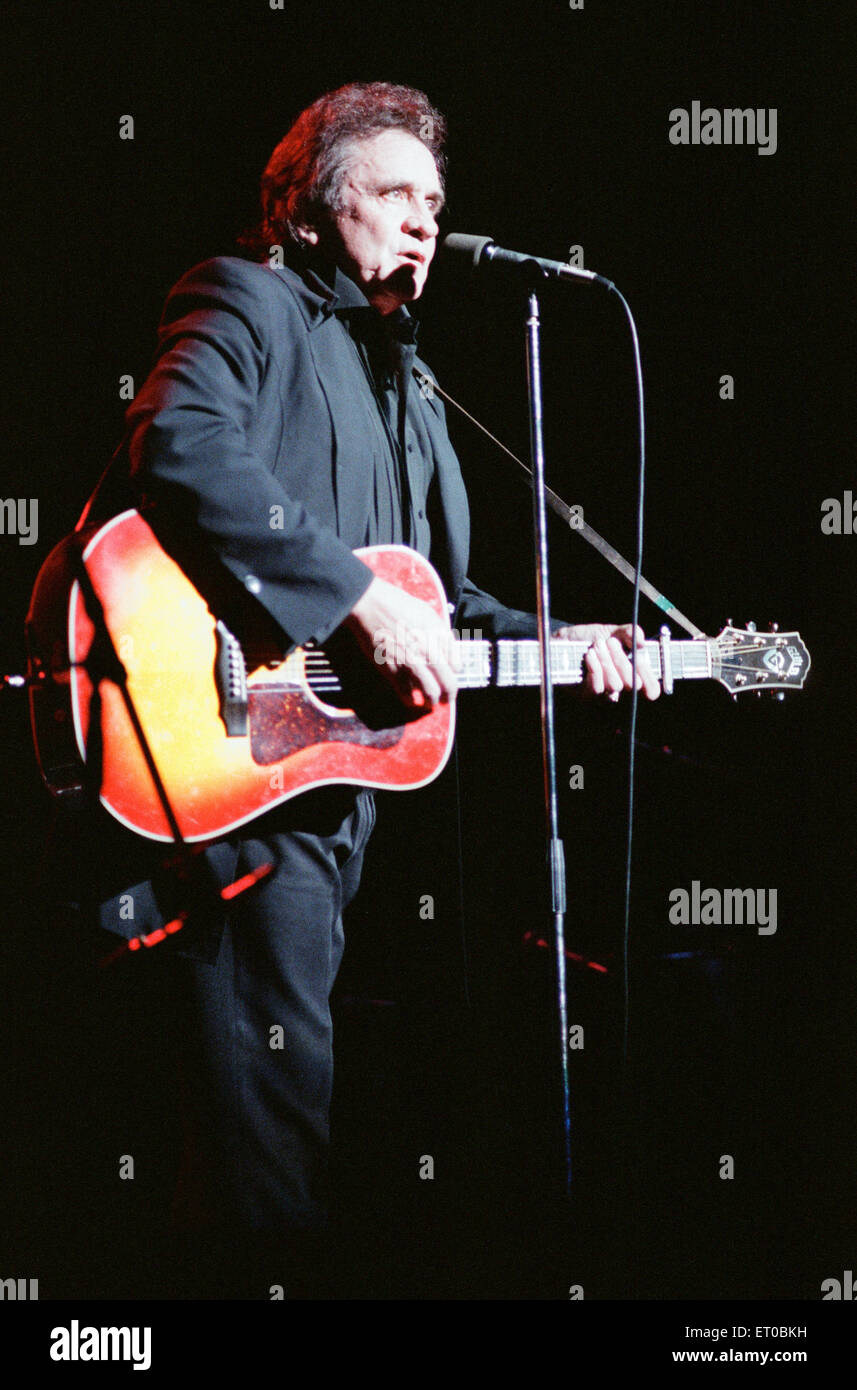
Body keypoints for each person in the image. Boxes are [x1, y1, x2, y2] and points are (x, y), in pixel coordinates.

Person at [99, 80, 659, 1295]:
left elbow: (438, 609)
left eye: (436, 201)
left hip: (331, 786)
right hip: (230, 768)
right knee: (268, 1140)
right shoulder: (243, 297)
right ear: (305, 208)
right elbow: (180, 446)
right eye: (393, 194)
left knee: (295, 1123)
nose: (423, 221)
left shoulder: (412, 389)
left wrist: (575, 643)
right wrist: (346, 604)